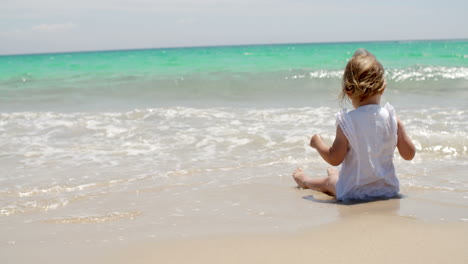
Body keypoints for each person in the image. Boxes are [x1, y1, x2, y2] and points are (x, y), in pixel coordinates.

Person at [292, 49, 416, 201]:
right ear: (383, 88)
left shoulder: (347, 122)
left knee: (330, 182)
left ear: (348, 92)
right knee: (337, 178)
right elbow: (409, 154)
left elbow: (335, 158)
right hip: (387, 191)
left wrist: (318, 143)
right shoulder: (392, 118)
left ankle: (305, 180)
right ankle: (335, 176)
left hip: (353, 193)